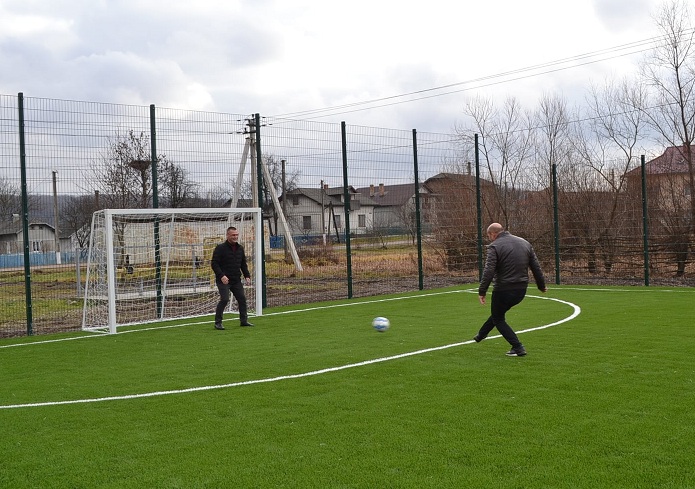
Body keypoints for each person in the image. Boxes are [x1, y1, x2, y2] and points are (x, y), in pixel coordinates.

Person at [474, 222, 546, 356]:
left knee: (498, 318)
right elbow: (536, 267)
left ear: (493, 234)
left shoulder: (494, 246)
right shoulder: (525, 243)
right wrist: (541, 285)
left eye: (489, 236)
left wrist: (482, 291)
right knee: (498, 314)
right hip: (521, 290)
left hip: (503, 289)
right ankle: (481, 334)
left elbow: (489, 271)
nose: (489, 239)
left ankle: (517, 347)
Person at [211, 226, 254, 329]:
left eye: (236, 235)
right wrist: (221, 275)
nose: (235, 237)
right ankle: (218, 322)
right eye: (233, 235)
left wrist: (247, 275)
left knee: (242, 299)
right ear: (227, 235)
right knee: (225, 299)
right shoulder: (220, 248)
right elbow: (214, 264)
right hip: (224, 280)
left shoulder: (240, 248)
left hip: (236, 280)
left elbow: (243, 264)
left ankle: (244, 321)